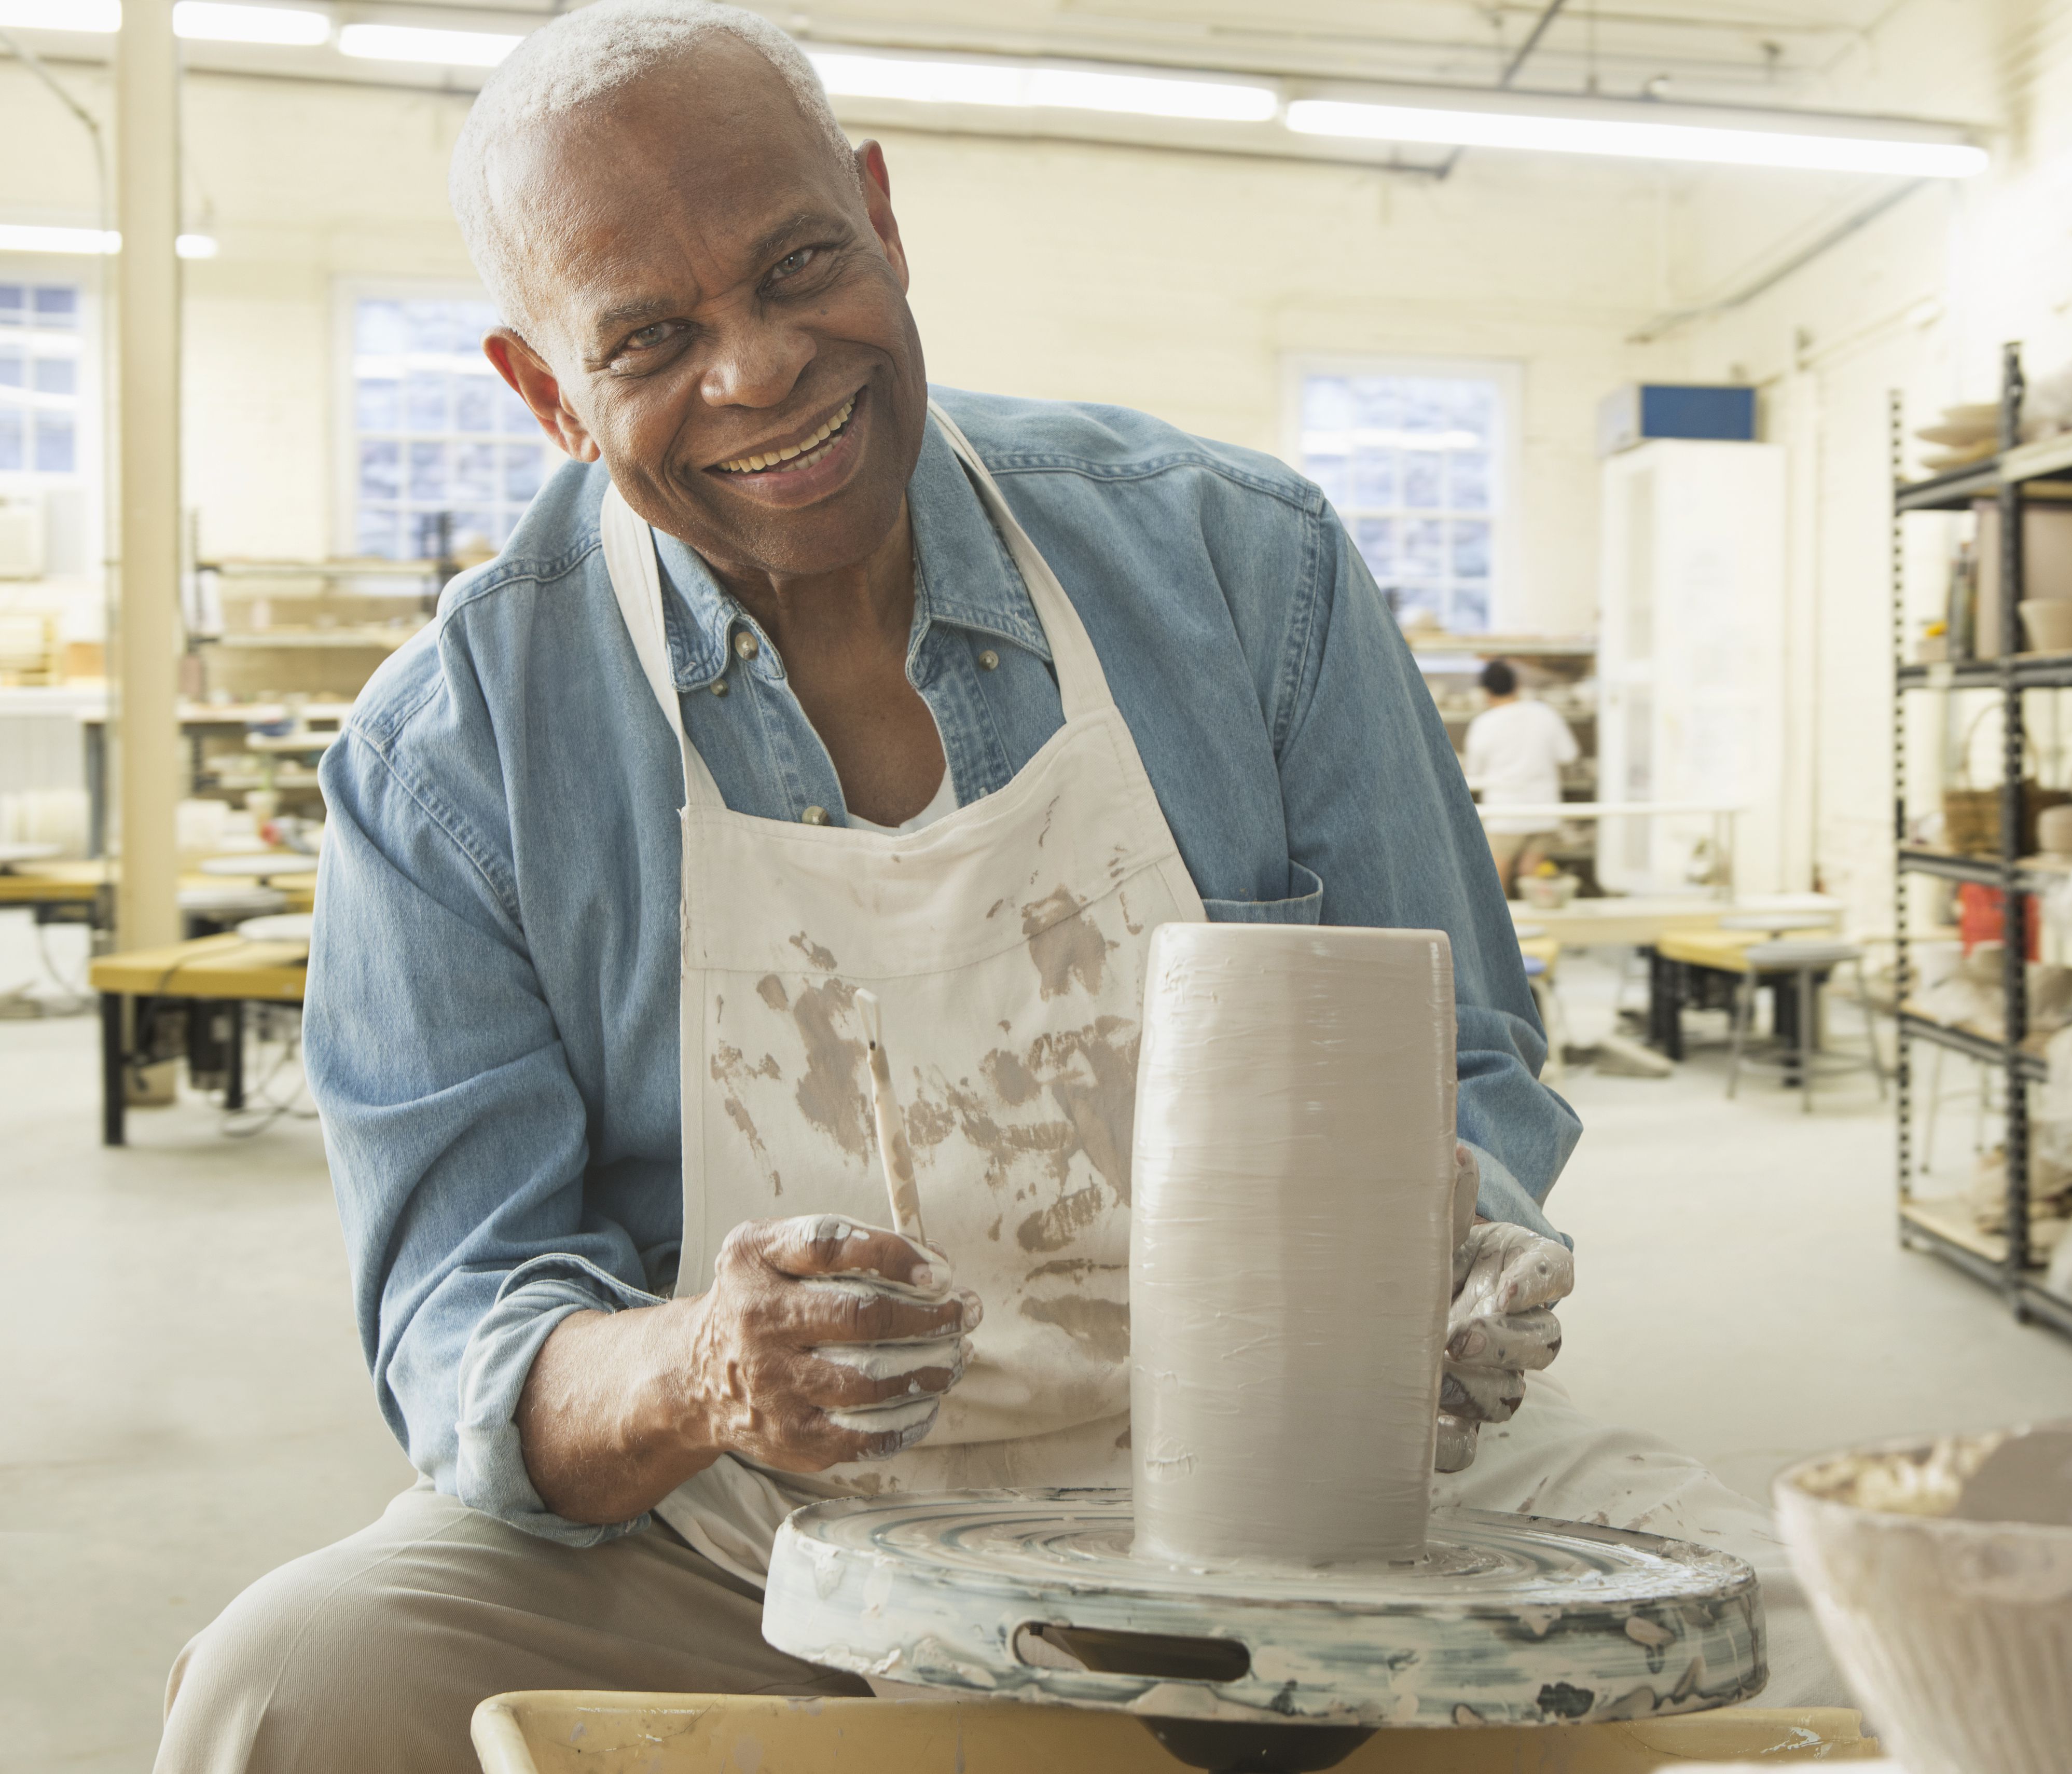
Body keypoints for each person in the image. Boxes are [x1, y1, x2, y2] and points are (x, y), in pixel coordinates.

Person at [151, 7, 1840, 1768]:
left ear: (882, 218)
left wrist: (1440, 1254)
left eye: (799, 261)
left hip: (1315, 1489)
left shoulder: (1238, 564)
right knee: (296, 1684)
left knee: (1837, 1655)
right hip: (754, 1538)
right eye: (648, 336)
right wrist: (702, 1369)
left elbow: (1470, 1053)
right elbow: (459, 1321)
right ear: (544, 391)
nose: (757, 370)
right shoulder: (458, 748)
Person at [1463, 657, 1581, 892]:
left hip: (1505, 812)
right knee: (1532, 876)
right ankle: (1537, 925)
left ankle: (1499, 929)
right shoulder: (1544, 714)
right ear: (1517, 684)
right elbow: (1569, 755)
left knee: (1497, 882)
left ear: (1486, 692)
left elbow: (1473, 772)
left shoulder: (1484, 724)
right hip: (1544, 809)